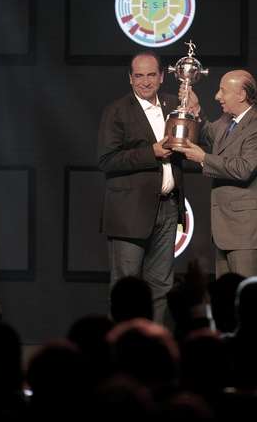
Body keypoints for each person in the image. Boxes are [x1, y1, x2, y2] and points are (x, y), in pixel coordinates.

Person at [97, 52, 186, 323]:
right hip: (129, 213)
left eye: (150, 75)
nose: (145, 82)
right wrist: (152, 152)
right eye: (139, 75)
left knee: (161, 285)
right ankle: (122, 348)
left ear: (161, 77)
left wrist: (194, 108)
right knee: (125, 286)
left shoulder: (174, 105)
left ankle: (154, 347)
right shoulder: (116, 111)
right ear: (130, 78)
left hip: (168, 207)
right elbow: (107, 160)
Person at [174, 70, 257, 277]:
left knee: (250, 301)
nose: (217, 96)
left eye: (223, 91)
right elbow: (208, 134)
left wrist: (203, 158)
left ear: (241, 95)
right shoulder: (228, 120)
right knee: (227, 300)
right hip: (227, 231)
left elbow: (243, 168)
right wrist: (194, 108)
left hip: (248, 234)